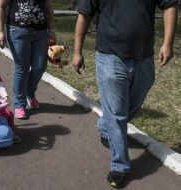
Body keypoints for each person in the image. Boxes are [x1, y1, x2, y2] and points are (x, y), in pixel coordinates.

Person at [73, 0, 178, 188]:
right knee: (117, 114)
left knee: (130, 105)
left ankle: (106, 124)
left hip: (144, 57)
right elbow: (84, 15)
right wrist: (77, 52)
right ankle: (120, 165)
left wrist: (167, 43)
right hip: (109, 57)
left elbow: (169, 6)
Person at [0, 0, 56, 119]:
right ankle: (19, 104)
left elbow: (48, 7)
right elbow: (1, 7)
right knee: (22, 68)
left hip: (41, 31)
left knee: (40, 66)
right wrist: (0, 31)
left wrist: (52, 30)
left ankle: (29, 92)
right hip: (17, 30)